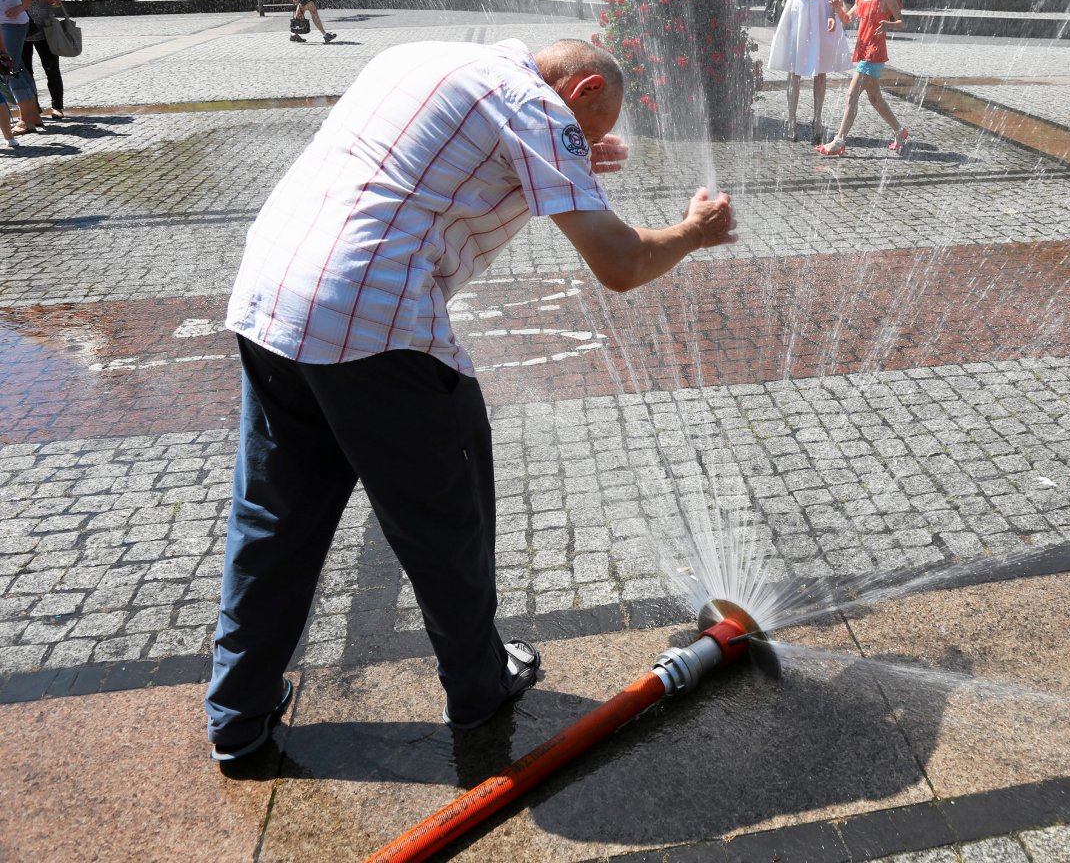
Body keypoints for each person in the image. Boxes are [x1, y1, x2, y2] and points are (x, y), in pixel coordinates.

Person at [205, 38, 736, 762]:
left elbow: (422, 166)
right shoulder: (536, 108)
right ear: (579, 89)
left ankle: (236, 718)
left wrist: (566, 157)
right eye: (589, 131)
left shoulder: (421, 57)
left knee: (273, 517)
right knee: (445, 522)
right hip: (373, 322)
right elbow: (620, 263)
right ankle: (479, 688)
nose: (585, 146)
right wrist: (693, 232)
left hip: (269, 293)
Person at [767, 0, 852, 143]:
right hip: (798, 12)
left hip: (821, 12)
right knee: (794, 71)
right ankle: (792, 120)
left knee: (820, 70)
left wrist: (834, 13)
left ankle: (817, 120)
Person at [816, 0, 909, 156]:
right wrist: (837, 9)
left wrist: (889, 25)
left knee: (851, 95)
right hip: (863, 50)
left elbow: (903, 23)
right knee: (875, 99)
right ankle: (900, 132)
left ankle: (839, 140)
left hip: (874, 54)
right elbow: (847, 19)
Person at [1, 0, 65, 121]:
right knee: (25, 70)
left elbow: (56, 1)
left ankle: (57, 106)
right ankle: (34, 109)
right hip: (23, 30)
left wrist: (50, 0)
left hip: (44, 27)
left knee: (51, 68)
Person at [0, 0, 40, 137]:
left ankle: (25, 120)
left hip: (10, 21)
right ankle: (33, 116)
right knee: (17, 67)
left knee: (9, 69)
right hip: (8, 22)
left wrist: (23, 5)